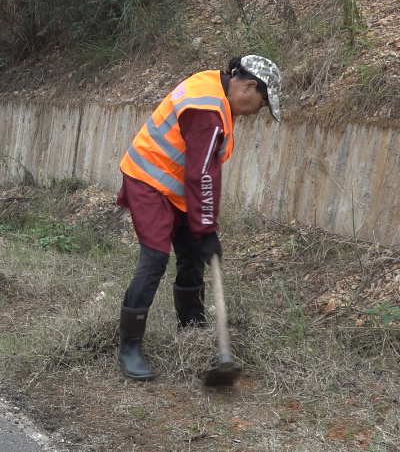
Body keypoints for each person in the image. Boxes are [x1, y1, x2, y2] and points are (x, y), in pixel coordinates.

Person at [116, 55, 282, 381]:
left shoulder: (215, 87)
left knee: (191, 254)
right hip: (150, 180)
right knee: (155, 258)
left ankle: (191, 325)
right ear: (248, 86)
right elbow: (203, 174)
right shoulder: (208, 111)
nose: (255, 112)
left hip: (176, 185)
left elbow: (200, 173)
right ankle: (130, 347)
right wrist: (207, 229)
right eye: (261, 104)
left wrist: (202, 232)